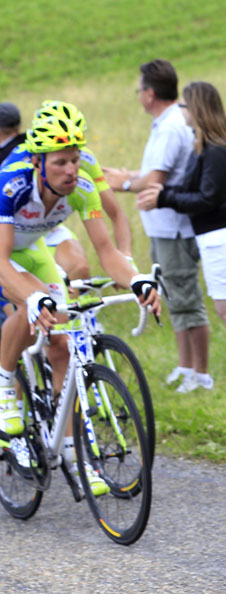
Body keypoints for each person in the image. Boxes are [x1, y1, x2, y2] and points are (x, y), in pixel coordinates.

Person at [0, 111, 160, 493]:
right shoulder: (12, 184)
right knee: (31, 302)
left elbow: (107, 252)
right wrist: (34, 297)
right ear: (38, 163)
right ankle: (5, 386)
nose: (70, 169)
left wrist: (136, 278)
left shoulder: (83, 185)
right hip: (4, 254)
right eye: (60, 162)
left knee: (63, 347)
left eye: (75, 159)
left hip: (32, 247)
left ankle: (71, 448)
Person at [136, 81, 226, 394]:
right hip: (216, 236)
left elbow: (207, 199)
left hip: (224, 236)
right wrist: (165, 193)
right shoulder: (205, 147)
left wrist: (163, 199)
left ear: (198, 109)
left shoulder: (217, 151)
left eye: (186, 106)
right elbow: (196, 192)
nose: (182, 111)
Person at [105, 59, 212, 393]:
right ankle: (185, 366)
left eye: (139, 89)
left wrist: (121, 185)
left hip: (173, 227)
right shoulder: (168, 122)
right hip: (164, 228)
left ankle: (201, 374)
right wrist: (127, 177)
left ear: (150, 93)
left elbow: (156, 180)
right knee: (173, 296)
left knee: (186, 299)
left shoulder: (169, 127)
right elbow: (153, 175)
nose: (138, 95)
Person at [2, 100, 134, 283]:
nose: (71, 166)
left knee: (79, 268)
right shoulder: (21, 162)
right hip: (11, 228)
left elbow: (116, 214)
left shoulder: (85, 158)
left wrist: (126, 262)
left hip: (44, 227)